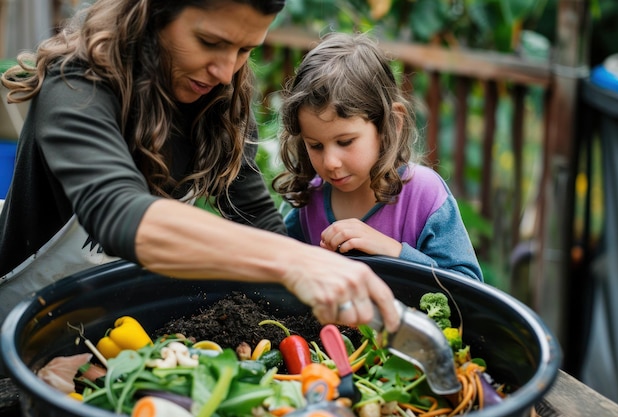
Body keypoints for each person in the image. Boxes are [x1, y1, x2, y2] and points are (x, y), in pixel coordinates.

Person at [0, 1, 401, 333]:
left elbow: (253, 214)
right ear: (156, 12)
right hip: (28, 328)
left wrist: (312, 313)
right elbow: (117, 212)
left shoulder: (217, 97)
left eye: (245, 50)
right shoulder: (76, 83)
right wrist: (295, 262)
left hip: (129, 327)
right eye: (210, 42)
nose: (227, 72)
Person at [272, 32, 483, 282]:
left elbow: (469, 287)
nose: (330, 162)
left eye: (345, 142)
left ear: (391, 124)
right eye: (315, 145)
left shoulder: (425, 196)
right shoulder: (309, 201)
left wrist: (394, 252)